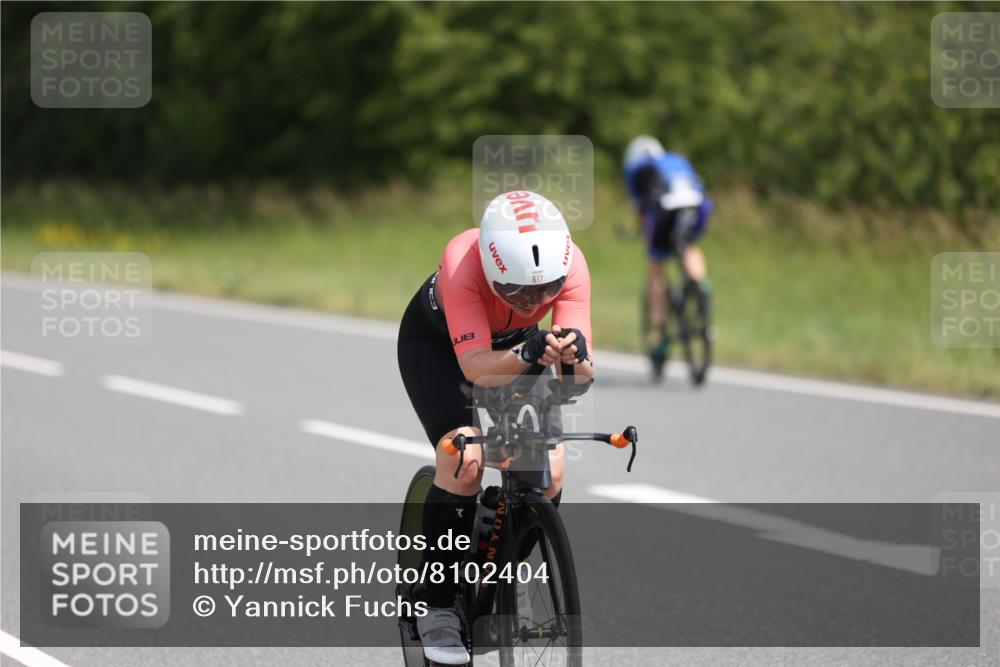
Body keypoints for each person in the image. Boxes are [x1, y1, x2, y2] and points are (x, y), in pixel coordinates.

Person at [396, 190, 594, 665]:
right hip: (443, 351)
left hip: (517, 347)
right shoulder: (462, 261)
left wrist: (575, 356)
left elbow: (580, 379)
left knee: (550, 469)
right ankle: (437, 604)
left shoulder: (571, 264)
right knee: (464, 458)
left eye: (547, 290)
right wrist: (530, 351)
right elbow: (476, 371)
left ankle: (501, 556)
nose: (534, 301)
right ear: (491, 268)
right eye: (520, 292)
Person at [622, 135, 713, 362]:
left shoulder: (636, 170)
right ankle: (700, 287)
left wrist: (644, 233)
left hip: (665, 210)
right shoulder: (676, 159)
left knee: (656, 265)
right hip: (697, 206)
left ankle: (661, 335)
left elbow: (641, 212)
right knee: (689, 246)